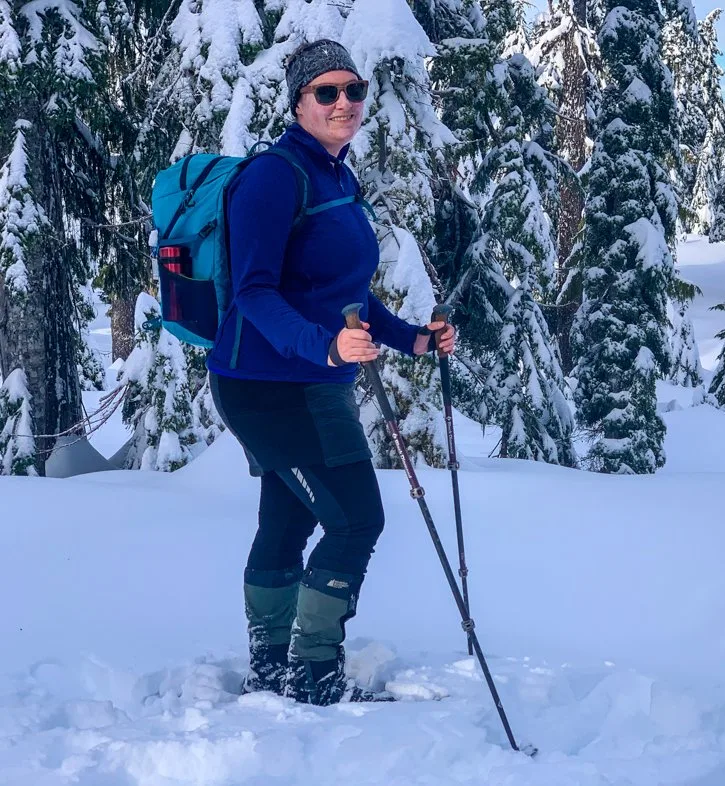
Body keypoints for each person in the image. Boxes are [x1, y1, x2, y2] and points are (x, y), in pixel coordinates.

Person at [206, 38, 456, 706]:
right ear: (298, 102)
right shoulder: (273, 177)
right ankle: (313, 670)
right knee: (355, 521)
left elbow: (348, 292)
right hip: (265, 386)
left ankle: (271, 666)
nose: (344, 102)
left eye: (354, 90)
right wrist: (324, 348)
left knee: (289, 522)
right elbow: (255, 293)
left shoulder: (337, 175)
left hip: (312, 380)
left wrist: (413, 341)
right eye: (327, 92)